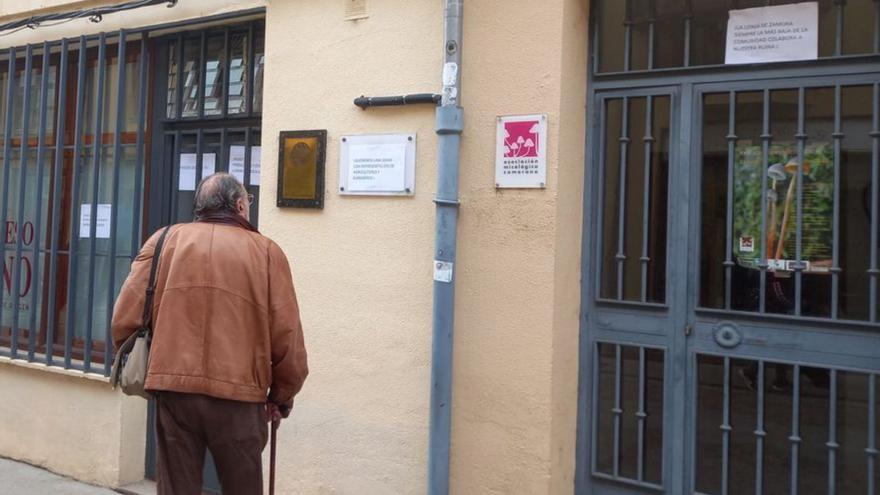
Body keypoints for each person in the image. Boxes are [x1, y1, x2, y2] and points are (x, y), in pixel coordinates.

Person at [112, 173, 308, 495]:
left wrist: (151, 362)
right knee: (242, 486)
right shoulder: (268, 252)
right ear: (240, 205)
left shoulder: (164, 241)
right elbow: (287, 336)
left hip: (174, 391)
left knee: (177, 487)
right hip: (240, 397)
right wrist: (282, 396)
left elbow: (125, 317)